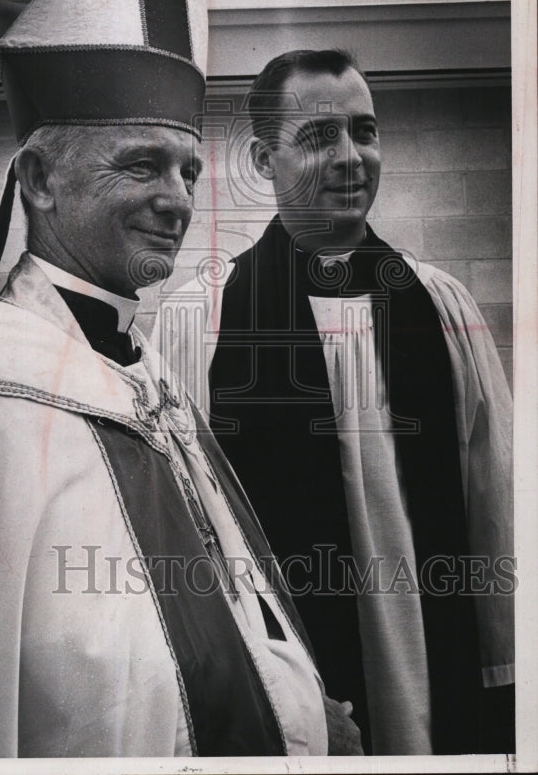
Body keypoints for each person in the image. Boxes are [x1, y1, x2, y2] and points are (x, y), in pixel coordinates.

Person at [0, 0, 362, 759]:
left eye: (189, 172)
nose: (175, 200)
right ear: (40, 179)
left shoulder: (141, 373)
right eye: (140, 165)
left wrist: (307, 715)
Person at [152, 49, 515, 755]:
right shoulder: (202, 317)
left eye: (364, 131)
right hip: (282, 690)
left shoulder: (441, 307)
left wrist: (504, 676)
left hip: (432, 675)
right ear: (264, 159)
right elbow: (187, 530)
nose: (351, 157)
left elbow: (492, 501)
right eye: (319, 137)